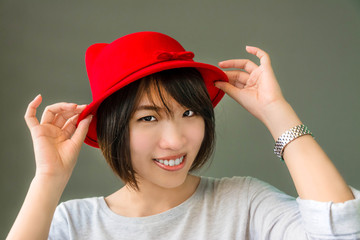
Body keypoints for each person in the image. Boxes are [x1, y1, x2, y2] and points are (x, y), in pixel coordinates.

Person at [7, 31, 360, 240]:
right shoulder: (74, 224)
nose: (175, 141)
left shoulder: (245, 205)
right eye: (148, 118)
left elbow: (343, 231)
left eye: (188, 113)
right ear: (114, 129)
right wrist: (49, 179)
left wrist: (276, 112)